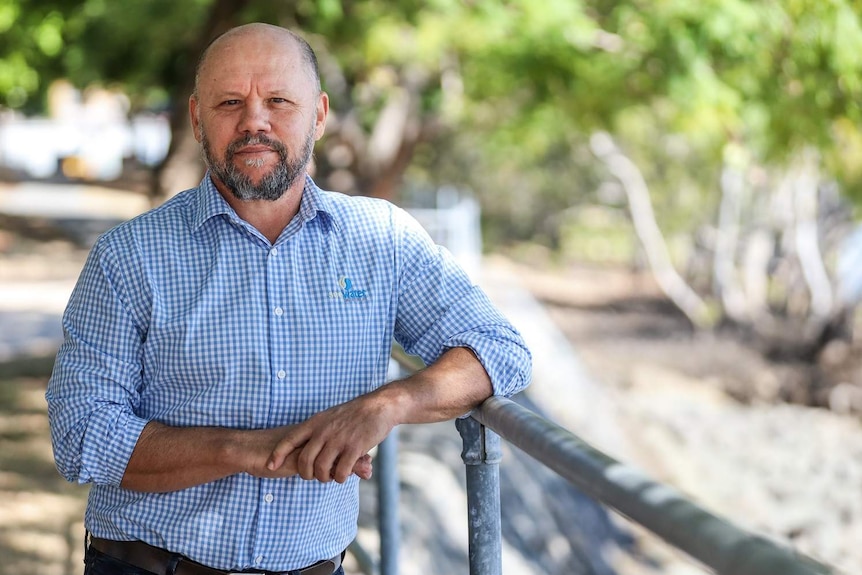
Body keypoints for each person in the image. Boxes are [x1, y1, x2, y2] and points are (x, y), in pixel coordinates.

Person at [46, 22, 531, 575]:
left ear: (319, 115)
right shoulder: (127, 256)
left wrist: (385, 406)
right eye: (230, 102)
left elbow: (500, 348)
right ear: (198, 118)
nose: (255, 120)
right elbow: (82, 433)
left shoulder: (383, 240)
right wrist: (254, 451)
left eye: (278, 100)